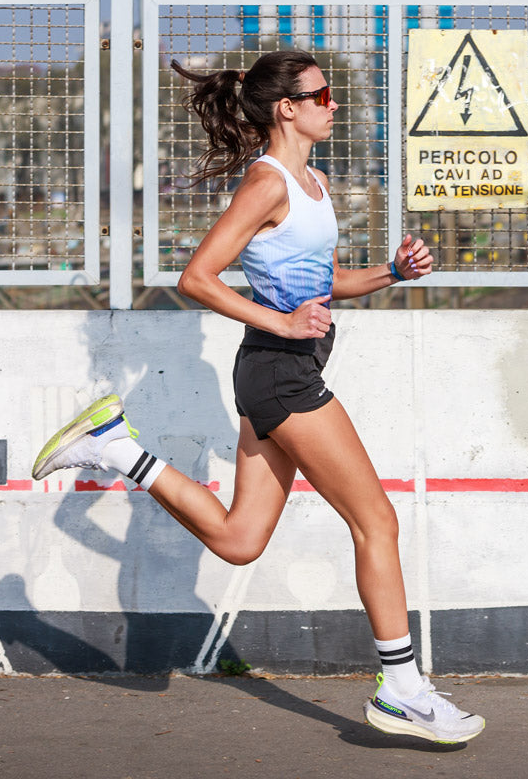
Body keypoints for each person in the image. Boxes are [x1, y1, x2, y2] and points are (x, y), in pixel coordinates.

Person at [32, 50, 484, 744]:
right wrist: (281, 321)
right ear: (288, 108)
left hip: (277, 368)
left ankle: (117, 448)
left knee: (240, 541)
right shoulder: (267, 184)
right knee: (378, 522)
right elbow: (199, 275)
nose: (335, 104)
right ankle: (402, 688)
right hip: (283, 372)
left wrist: (391, 273)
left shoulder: (314, 181)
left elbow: (321, 280)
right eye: (323, 94)